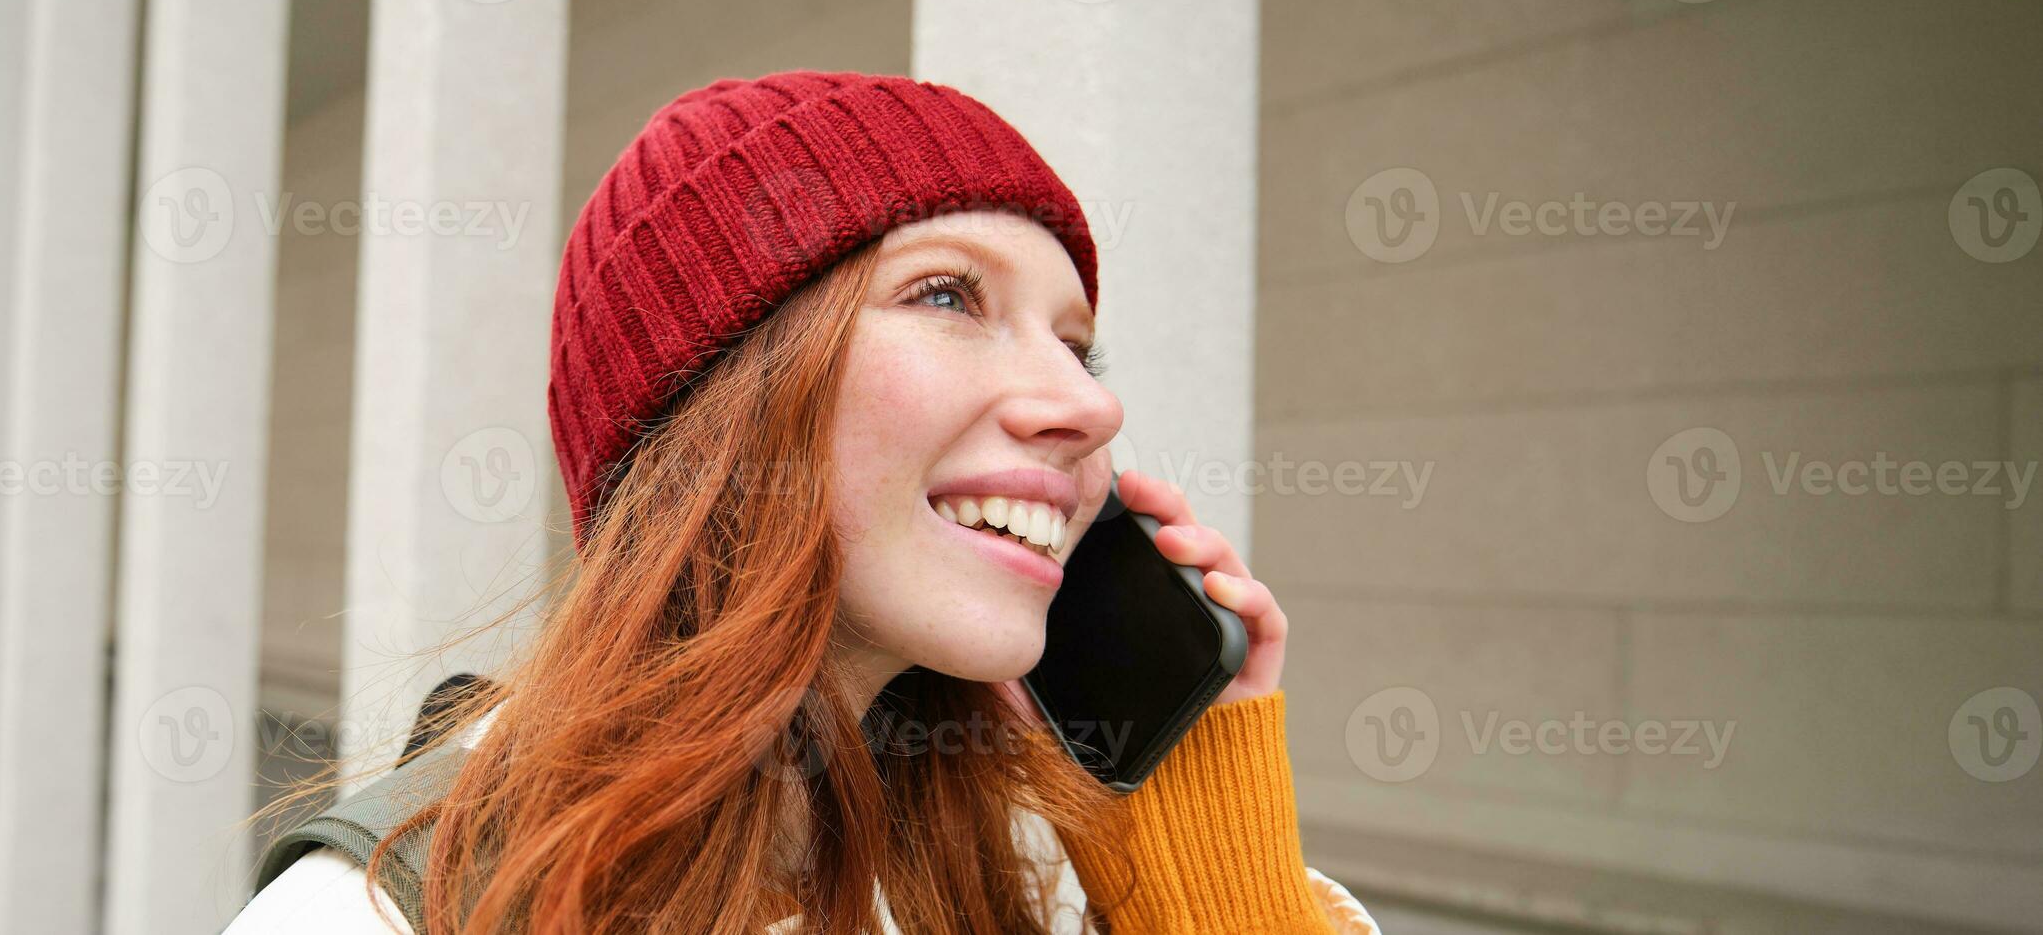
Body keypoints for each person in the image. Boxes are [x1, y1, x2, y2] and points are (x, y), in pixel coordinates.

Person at [229, 71, 1377, 934]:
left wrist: (1201, 852)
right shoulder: (379, 911)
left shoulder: (1030, 869)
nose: (1085, 405)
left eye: (1081, 347)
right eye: (945, 294)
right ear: (716, 406)